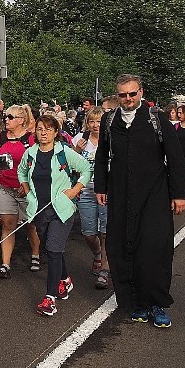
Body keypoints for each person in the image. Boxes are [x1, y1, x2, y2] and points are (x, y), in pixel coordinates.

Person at [93, 74, 185, 328]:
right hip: (120, 193)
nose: (128, 99)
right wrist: (100, 185)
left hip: (154, 194)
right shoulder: (109, 120)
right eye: (123, 95)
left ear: (141, 93)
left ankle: (156, 302)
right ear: (117, 96)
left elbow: (175, 157)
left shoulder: (157, 119)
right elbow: (102, 155)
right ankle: (135, 301)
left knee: (154, 249)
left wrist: (179, 194)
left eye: (132, 94)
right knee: (123, 247)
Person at [18, 115, 91, 315]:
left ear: (56, 132)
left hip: (62, 209)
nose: (43, 133)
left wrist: (75, 190)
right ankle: (65, 279)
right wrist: (26, 188)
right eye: (40, 129)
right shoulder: (30, 153)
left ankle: (50, 299)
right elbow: (21, 171)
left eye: (48, 129)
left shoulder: (64, 152)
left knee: (52, 247)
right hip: (39, 210)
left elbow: (86, 169)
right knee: (53, 251)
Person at [0, 104, 40, 278]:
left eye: (10, 117)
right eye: (6, 117)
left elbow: (36, 164)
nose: (6, 120)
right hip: (5, 187)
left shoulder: (30, 139)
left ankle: (35, 254)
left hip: (25, 189)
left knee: (30, 224)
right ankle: (5, 264)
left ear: (21, 120)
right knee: (7, 224)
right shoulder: (1, 138)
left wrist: (26, 184)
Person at [71, 107, 111, 289]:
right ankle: (97, 254)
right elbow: (69, 167)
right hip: (85, 191)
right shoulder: (80, 140)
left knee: (105, 232)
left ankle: (104, 270)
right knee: (89, 233)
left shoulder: (111, 139)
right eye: (92, 121)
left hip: (107, 191)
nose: (96, 125)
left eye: (99, 121)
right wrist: (76, 151)